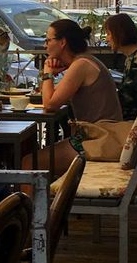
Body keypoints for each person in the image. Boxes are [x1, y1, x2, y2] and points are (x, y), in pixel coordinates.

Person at [39, 18, 122, 166]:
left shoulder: (81, 65)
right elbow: (50, 96)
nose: (45, 45)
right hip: (100, 135)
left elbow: (49, 105)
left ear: (62, 42)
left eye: (48, 40)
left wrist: (47, 71)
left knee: (28, 162)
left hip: (98, 140)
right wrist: (50, 75)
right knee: (35, 156)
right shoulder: (84, 61)